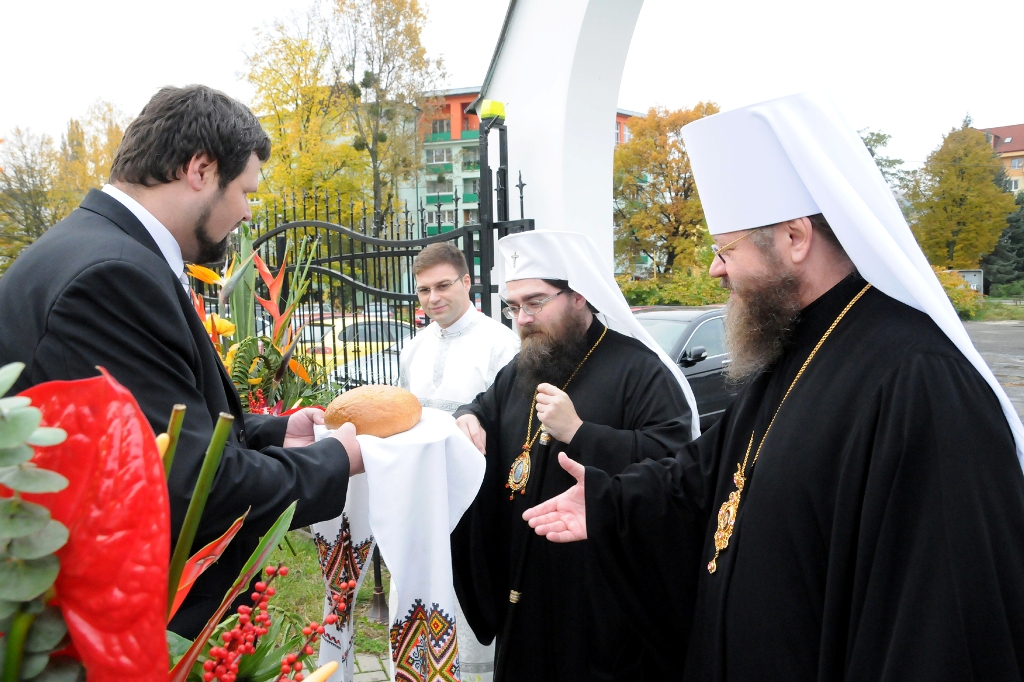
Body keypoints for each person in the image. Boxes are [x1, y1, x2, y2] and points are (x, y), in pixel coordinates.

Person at [523, 93, 1024, 681]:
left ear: (794, 237)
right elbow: (708, 474)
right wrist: (615, 502)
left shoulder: (920, 378)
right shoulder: (794, 347)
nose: (716, 268)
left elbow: (941, 618)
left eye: (726, 249)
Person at [0, 85, 363, 638]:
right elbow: (191, 485)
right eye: (244, 191)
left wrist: (275, 430)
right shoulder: (112, 276)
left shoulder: (95, 248)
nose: (247, 211)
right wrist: (336, 460)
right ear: (200, 169)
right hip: (135, 625)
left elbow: (155, 424)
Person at [451, 230, 700, 681]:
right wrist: (467, 417)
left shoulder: (640, 371)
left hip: (597, 597)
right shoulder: (524, 366)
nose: (523, 318)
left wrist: (581, 434)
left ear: (580, 295)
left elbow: (677, 466)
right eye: (513, 307)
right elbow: (484, 408)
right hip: (524, 582)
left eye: (535, 302)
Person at [396, 242, 519, 681]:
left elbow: (512, 431)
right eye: (424, 290)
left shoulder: (501, 345)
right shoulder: (413, 347)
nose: (433, 298)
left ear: (468, 282)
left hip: (477, 505)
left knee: (469, 606)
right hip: (422, 502)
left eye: (443, 285)